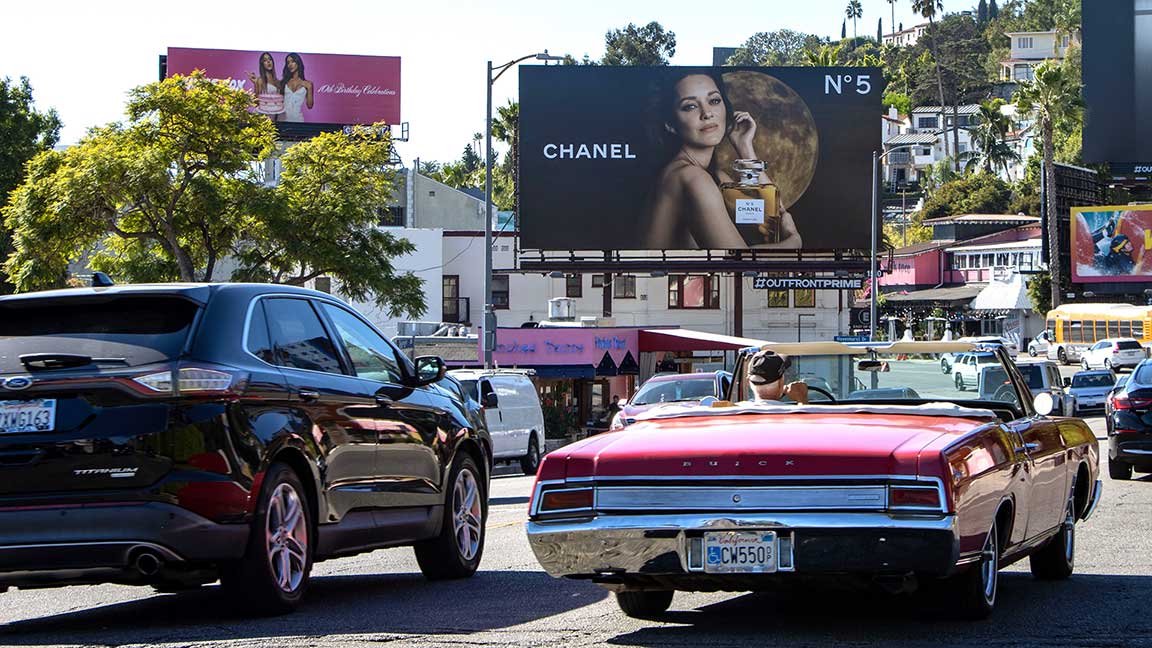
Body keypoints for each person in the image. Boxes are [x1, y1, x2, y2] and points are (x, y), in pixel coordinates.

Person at [638, 70, 801, 250]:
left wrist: (745, 149)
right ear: (670, 124)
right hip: (662, 278)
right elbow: (738, 264)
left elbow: (773, 217)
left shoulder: (715, 177)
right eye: (690, 106)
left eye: (714, 101)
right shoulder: (691, 177)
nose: (707, 113)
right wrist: (793, 243)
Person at [248, 52, 283, 119]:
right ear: (262, 64)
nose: (268, 62)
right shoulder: (260, 80)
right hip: (262, 116)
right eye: (265, 60)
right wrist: (256, 84)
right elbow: (256, 102)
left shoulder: (278, 82)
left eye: (270, 59)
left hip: (273, 115)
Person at [281, 53, 314, 122]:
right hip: (283, 119)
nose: (290, 65)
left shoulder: (308, 84)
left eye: (293, 61)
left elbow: (310, 106)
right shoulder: (284, 83)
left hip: (298, 120)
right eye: (288, 63)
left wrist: (309, 88)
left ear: (298, 63)